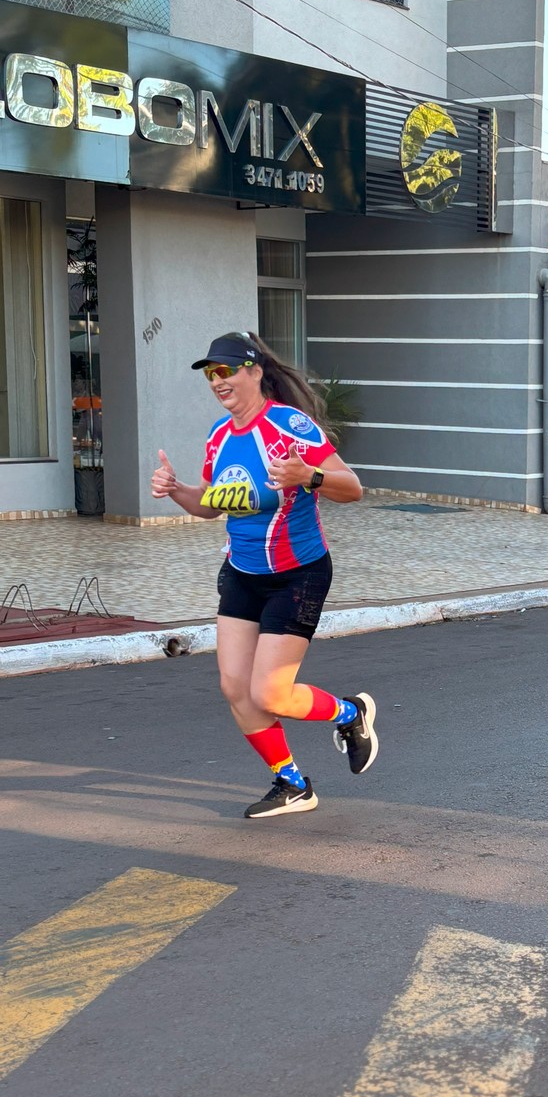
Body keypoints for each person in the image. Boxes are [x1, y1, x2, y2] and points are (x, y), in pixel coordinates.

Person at [150, 331, 378, 819]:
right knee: (236, 689)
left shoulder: (289, 425)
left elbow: (353, 488)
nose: (218, 381)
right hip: (241, 573)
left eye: (226, 370)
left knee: (270, 692)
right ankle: (292, 783)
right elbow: (210, 506)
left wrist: (308, 477)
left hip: (298, 575)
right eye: (211, 374)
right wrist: (176, 489)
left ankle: (351, 713)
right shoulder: (218, 436)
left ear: (254, 371)